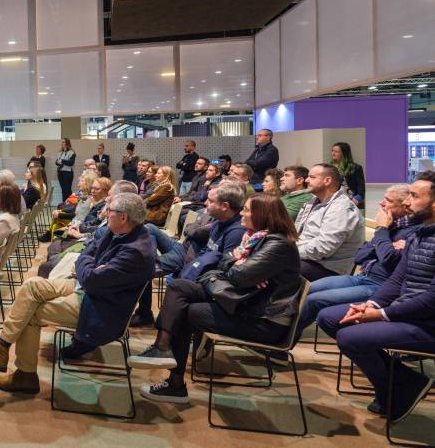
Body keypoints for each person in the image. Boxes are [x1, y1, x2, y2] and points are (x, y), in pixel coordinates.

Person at [0, 193, 155, 394]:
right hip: (89, 289)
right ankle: (1, 347)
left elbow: (91, 278)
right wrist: (90, 265)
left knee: (31, 313)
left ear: (123, 217)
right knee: (32, 286)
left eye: (110, 210)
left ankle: (25, 375)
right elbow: (88, 252)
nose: (105, 213)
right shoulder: (120, 231)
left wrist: (87, 265)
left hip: (100, 307)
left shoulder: (135, 251)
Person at [131, 194, 303, 405]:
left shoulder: (278, 245)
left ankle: (175, 384)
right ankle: (162, 346)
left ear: (263, 215)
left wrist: (234, 264)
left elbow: (236, 275)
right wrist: (235, 264)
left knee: (187, 311)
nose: (242, 213)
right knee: (178, 287)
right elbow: (229, 267)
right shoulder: (254, 238)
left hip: (264, 320)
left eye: (247, 210)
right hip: (244, 300)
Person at [316, 171, 435, 422]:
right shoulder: (418, 234)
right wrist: (371, 304)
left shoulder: (415, 234)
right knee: (328, 318)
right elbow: (397, 279)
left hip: (427, 322)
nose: (407, 202)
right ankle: (401, 381)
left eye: (414, 196)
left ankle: (395, 388)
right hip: (405, 310)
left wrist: (381, 314)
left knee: (350, 337)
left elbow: (431, 299)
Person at [298, 184, 419, 335]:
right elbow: (360, 256)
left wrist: (382, 232)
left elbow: (389, 259)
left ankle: (282, 342)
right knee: (308, 289)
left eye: (388, 200)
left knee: (314, 300)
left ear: (405, 206)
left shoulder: (411, 231)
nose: (381, 203)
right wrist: (385, 244)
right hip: (362, 277)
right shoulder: (391, 226)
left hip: (381, 286)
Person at [148, 182, 246, 283]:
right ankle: (153, 262)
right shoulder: (218, 220)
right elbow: (190, 229)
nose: (205, 203)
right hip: (184, 247)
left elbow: (223, 268)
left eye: (210, 201)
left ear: (225, 206)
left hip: (189, 256)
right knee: (149, 228)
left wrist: (189, 270)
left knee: (144, 270)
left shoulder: (236, 231)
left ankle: (153, 265)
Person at [294, 164, 365, 281]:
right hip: (308, 258)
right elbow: (298, 232)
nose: (306, 180)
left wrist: (291, 250)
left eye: (312, 177)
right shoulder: (313, 201)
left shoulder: (341, 208)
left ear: (327, 181)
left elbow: (323, 248)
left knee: (275, 267)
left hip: (328, 268)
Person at [332, 142, 366, 209]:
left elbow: (361, 186)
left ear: (344, 153)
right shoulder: (329, 168)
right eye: (332, 151)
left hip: (351, 198)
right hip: (334, 198)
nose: (333, 153)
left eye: (336, 151)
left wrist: (357, 199)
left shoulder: (356, 167)